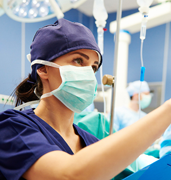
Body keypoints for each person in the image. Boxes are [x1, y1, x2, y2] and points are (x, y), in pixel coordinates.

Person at [0, 18, 171, 180]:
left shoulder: (90, 141)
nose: (89, 73)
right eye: (78, 60)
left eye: (94, 67)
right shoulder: (13, 128)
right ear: (44, 69)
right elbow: (70, 175)